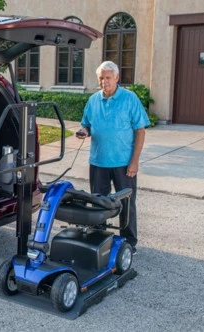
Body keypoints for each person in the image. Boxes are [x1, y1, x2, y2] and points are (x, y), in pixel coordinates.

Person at [77, 61, 150, 255]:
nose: (104, 82)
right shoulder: (93, 100)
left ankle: (129, 243)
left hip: (124, 163)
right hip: (98, 161)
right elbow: (87, 124)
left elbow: (140, 131)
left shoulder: (129, 99)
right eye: (101, 78)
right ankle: (98, 239)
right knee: (98, 203)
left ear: (117, 78)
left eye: (108, 78)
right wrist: (84, 131)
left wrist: (134, 161)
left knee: (127, 204)